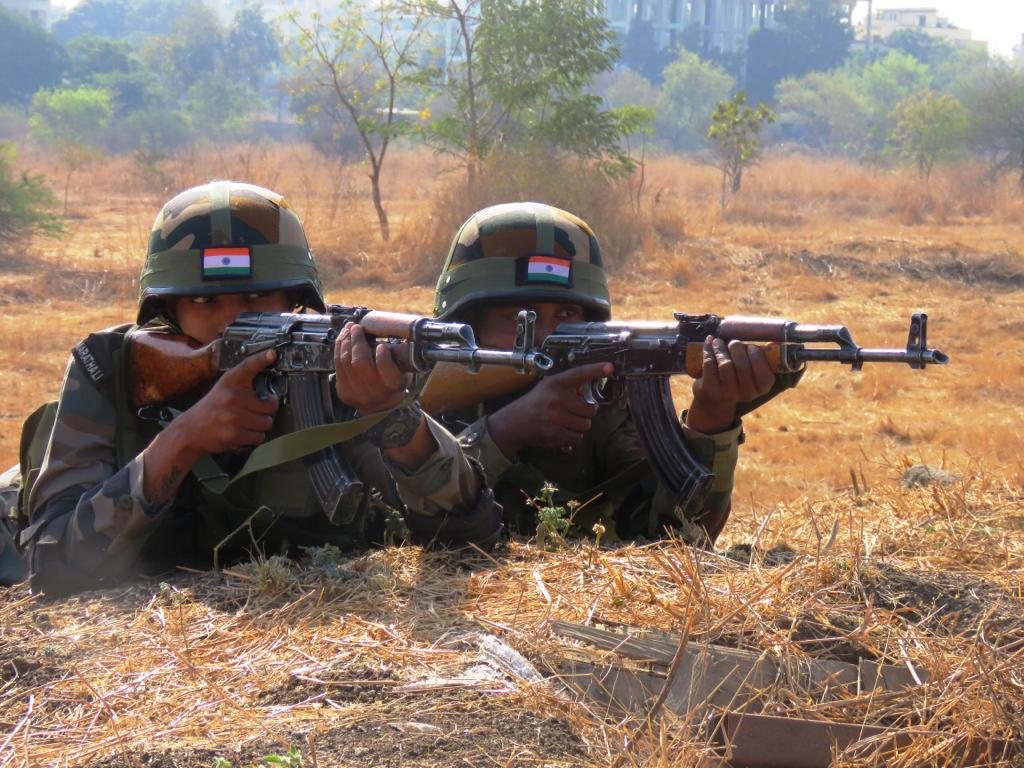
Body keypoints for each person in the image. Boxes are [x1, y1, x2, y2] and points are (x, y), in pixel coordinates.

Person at [20, 181, 500, 596]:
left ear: (297, 300)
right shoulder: (114, 367)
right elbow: (54, 563)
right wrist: (184, 439)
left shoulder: (331, 365)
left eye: (256, 298)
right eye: (205, 301)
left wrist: (393, 413)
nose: (233, 320)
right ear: (167, 310)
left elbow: (466, 533)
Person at [430, 202, 800, 546]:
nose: (545, 336)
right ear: (464, 326)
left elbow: (674, 540)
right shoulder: (424, 400)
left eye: (566, 316)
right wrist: (505, 431)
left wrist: (712, 419)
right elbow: (407, 522)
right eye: (518, 319)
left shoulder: (604, 398)